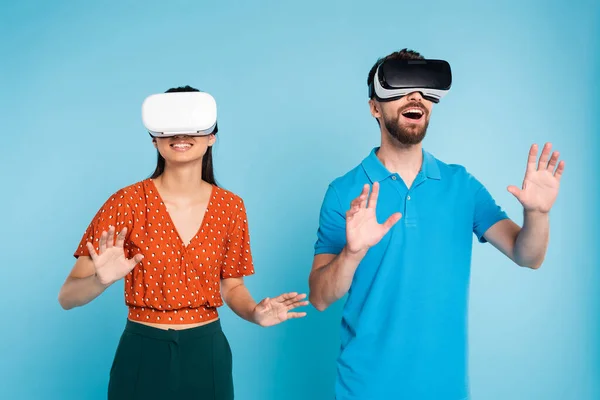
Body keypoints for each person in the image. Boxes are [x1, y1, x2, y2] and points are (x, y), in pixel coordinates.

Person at [308, 49, 564, 400]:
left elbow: (528, 255)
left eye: (424, 88)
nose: (415, 96)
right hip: (366, 389)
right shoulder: (343, 193)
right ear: (374, 108)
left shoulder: (462, 186)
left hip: (445, 389)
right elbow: (320, 298)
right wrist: (352, 253)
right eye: (400, 86)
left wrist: (537, 214)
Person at [58, 85, 308, 400]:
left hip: (207, 353)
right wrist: (100, 280)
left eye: (192, 124)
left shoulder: (230, 207)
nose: (181, 134)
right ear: (154, 137)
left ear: (212, 136)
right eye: (170, 126)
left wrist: (254, 313)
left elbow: (231, 286)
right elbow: (67, 297)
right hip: (142, 351)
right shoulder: (127, 202)